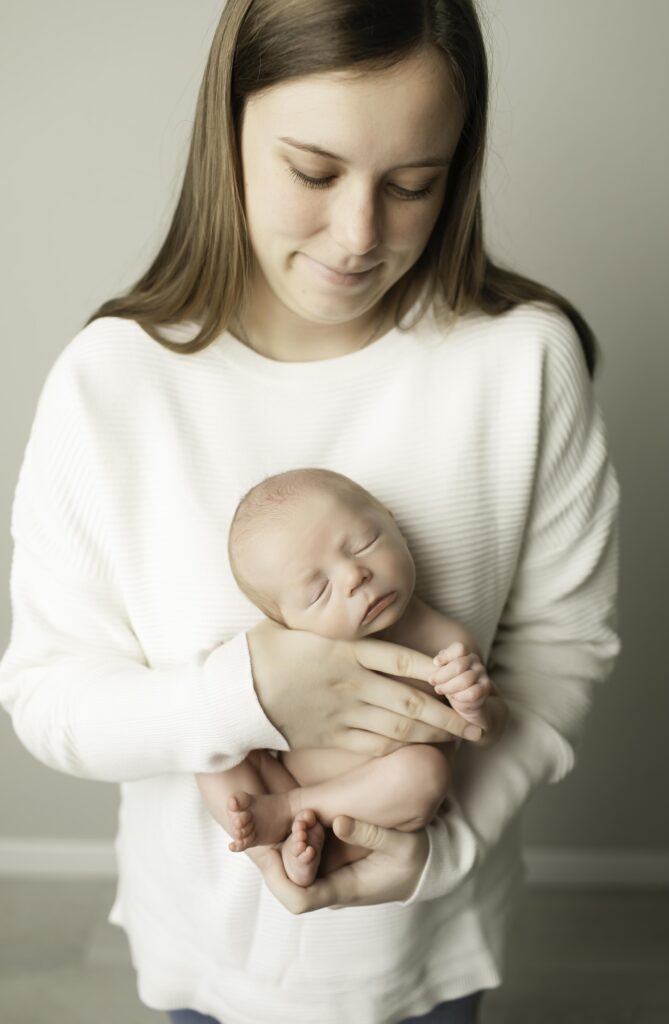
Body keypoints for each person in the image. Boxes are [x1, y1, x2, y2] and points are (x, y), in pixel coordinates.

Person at [0, 2, 620, 1023]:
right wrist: (246, 694)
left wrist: (435, 845)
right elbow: (47, 693)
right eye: (313, 173)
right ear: (228, 130)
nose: (357, 235)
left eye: (411, 184)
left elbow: (559, 651)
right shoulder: (112, 382)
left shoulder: (520, 362)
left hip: (427, 940)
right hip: (202, 948)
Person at [196, 466, 496, 888]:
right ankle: (279, 851)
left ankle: (311, 843)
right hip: (274, 784)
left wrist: (474, 703)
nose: (355, 576)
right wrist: (228, 681)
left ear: (394, 524)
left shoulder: (445, 641)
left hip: (362, 818)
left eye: (364, 544)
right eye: (318, 592)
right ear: (284, 622)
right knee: (206, 737)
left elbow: (488, 732)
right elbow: (226, 701)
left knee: (425, 772)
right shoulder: (292, 645)